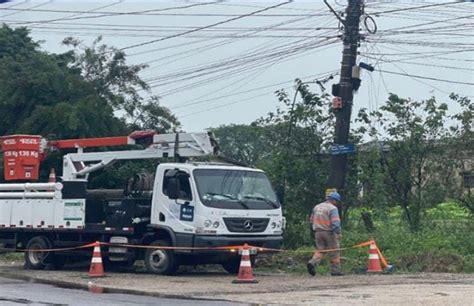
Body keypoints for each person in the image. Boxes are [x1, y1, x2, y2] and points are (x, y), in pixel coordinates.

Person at [307, 191, 343, 276]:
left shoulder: (317, 207)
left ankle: (312, 262)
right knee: (334, 251)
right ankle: (335, 271)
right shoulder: (332, 208)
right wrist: (338, 233)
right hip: (329, 233)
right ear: (334, 200)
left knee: (321, 250)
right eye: (337, 201)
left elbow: (311, 220)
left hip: (318, 232)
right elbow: (335, 223)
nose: (337, 203)